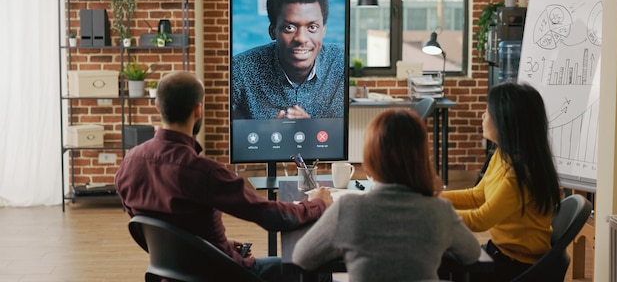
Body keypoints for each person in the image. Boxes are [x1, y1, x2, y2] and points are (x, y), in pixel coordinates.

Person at [114, 71, 333, 282]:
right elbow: (271, 216)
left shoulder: (129, 164)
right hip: (222, 274)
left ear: (157, 106)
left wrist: (214, 245)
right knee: (320, 268)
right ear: (198, 110)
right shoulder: (202, 172)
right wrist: (316, 204)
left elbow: (156, 230)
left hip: (174, 274)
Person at [292, 109, 481, 281]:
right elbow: (472, 253)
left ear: (371, 157)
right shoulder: (440, 210)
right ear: (421, 158)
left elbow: (301, 257)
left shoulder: (348, 209)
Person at [440, 82, 562, 281]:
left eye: (487, 112)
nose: (482, 116)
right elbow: (476, 196)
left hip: (515, 265)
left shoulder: (520, 174)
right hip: (499, 251)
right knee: (440, 258)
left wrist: (432, 211)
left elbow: (481, 219)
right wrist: (431, 195)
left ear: (505, 121)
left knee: (437, 262)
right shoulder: (502, 154)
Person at [231, 0, 345, 120]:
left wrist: (312, 127)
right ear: (273, 31)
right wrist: (264, 133)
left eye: (312, 27)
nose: (301, 39)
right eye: (289, 28)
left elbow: (341, 133)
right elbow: (227, 130)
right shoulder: (241, 70)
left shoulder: (340, 63)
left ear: (323, 31)